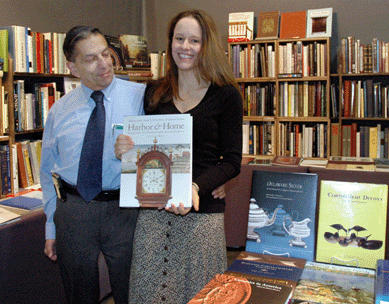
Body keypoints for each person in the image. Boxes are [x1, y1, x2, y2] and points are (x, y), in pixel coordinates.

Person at [115, 9, 243, 303]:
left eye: (194, 40)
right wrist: (123, 149)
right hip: (153, 216)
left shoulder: (226, 95)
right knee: (148, 294)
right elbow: (142, 149)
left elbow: (232, 160)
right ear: (170, 42)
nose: (185, 47)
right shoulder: (153, 92)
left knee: (200, 295)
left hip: (202, 216)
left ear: (206, 45)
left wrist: (197, 186)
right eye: (179, 38)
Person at [40, 26, 146, 304]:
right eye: (91, 59)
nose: (104, 64)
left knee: (133, 293)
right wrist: (51, 227)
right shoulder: (58, 111)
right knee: (79, 294)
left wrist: (138, 152)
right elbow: (47, 172)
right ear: (72, 68)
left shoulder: (142, 97)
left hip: (126, 210)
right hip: (74, 213)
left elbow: (167, 149)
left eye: (106, 54)